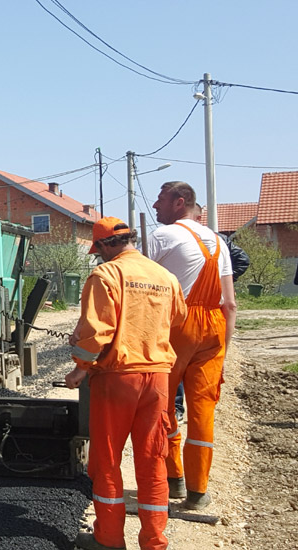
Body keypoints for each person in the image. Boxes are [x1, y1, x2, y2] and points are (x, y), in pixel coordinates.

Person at [66, 217, 186, 550]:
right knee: (152, 460)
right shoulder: (164, 276)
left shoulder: (106, 275)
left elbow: (97, 331)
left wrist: (80, 368)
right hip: (158, 379)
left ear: (104, 245)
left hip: (117, 378)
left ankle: (108, 539)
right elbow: (178, 318)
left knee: (107, 461)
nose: (98, 256)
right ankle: (154, 541)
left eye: (98, 250)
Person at [146, 181, 238, 511]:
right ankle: (198, 492)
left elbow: (139, 283)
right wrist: (222, 351)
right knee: (203, 409)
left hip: (177, 325)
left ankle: (173, 479)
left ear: (179, 202)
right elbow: (230, 303)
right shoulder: (219, 242)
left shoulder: (161, 237)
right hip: (214, 327)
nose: (155, 205)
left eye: (160, 199)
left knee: (164, 402)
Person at [173, 205, 250, 423]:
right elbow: (231, 305)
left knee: (175, 364)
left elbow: (242, 260)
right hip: (210, 315)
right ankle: (195, 415)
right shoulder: (216, 241)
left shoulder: (214, 240)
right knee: (200, 374)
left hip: (186, 311)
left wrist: (224, 280)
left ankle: (177, 409)